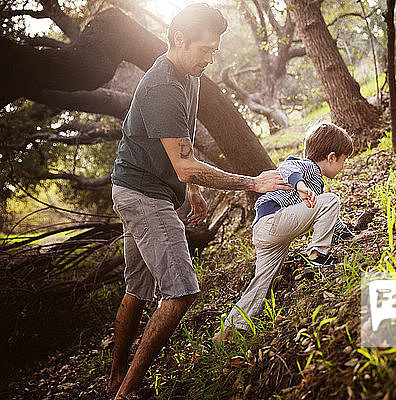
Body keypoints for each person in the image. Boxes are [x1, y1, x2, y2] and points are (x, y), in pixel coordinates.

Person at [107, 4, 290, 398]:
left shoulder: (187, 75)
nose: (210, 58)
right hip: (143, 196)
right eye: (204, 49)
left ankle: (114, 376)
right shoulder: (162, 86)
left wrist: (190, 188)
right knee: (183, 291)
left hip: (139, 188)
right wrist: (252, 183)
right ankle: (126, 392)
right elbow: (187, 166)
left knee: (137, 288)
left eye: (214, 50)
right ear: (178, 40)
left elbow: (180, 152)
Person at [213, 122, 355, 343]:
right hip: (274, 220)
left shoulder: (316, 187)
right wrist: (299, 185)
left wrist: (349, 237)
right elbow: (287, 167)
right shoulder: (308, 167)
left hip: (265, 230)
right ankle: (317, 256)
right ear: (331, 156)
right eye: (344, 160)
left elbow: (328, 219)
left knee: (262, 282)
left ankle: (229, 331)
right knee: (331, 201)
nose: (344, 166)